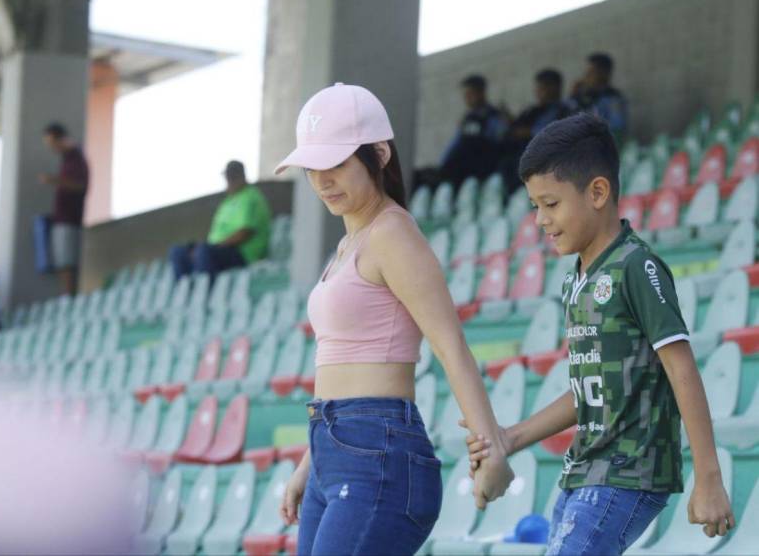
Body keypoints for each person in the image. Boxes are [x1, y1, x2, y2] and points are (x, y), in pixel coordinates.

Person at [463, 114, 734, 555]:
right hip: (583, 472)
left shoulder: (635, 267)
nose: (539, 220)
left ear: (598, 192)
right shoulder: (578, 279)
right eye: (535, 206)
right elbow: (590, 392)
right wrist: (510, 438)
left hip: (627, 474)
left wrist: (708, 477)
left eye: (550, 204)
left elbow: (681, 369)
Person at [274, 83, 515, 555]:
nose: (322, 181)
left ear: (379, 153)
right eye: (312, 168)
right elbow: (338, 366)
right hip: (332, 448)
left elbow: (450, 345)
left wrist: (492, 449)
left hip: (378, 454)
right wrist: (309, 464)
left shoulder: (393, 234)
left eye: (337, 164)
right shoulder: (348, 244)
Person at [169, 160, 271, 281]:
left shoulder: (251, 197)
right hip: (219, 249)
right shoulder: (227, 201)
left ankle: (208, 291)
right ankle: (187, 291)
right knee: (178, 252)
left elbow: (245, 232)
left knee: (204, 252)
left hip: (242, 253)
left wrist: (215, 246)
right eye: (228, 177)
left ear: (242, 176)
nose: (229, 181)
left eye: (233, 176)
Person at [498, 68, 571, 198]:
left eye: (542, 87)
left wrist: (528, 132)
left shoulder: (565, 109)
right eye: (537, 87)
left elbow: (557, 132)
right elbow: (514, 130)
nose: (537, 91)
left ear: (555, 87)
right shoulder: (531, 110)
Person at [39, 122, 90, 296]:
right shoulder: (68, 159)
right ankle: (67, 297)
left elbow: (80, 186)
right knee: (62, 260)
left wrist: (55, 180)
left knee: (67, 261)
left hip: (70, 219)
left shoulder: (76, 157)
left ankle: (69, 298)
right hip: (62, 218)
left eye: (52, 143)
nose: (51, 148)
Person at [440, 74, 508, 188]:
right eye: (465, 95)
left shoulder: (493, 115)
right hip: (463, 167)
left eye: (470, 94)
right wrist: (442, 165)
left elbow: (499, 139)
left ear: (481, 92)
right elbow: (455, 144)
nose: (466, 98)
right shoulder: (467, 118)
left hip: (484, 166)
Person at [568, 53, 628, 142]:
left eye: (591, 72)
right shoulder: (584, 98)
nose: (586, 77)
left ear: (604, 74)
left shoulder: (613, 99)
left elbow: (616, 131)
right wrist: (574, 97)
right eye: (586, 72)